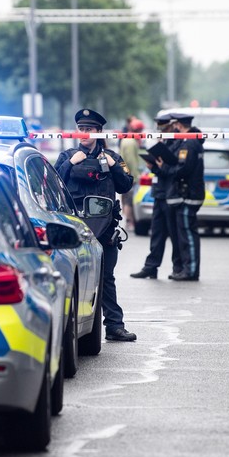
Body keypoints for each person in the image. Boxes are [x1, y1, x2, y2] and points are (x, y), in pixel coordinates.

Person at [55, 108, 137, 342]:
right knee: (74, 277)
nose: (84, 133)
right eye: (81, 129)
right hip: (76, 229)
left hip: (105, 229)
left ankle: (114, 326)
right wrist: (71, 163)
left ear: (99, 132)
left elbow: (125, 186)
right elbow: (54, 184)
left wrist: (112, 165)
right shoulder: (67, 156)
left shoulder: (112, 157)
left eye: (89, 129)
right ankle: (70, 326)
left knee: (106, 277)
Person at [130, 112, 187, 280]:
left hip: (171, 193)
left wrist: (160, 165)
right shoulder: (163, 142)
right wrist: (153, 165)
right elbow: (162, 170)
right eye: (159, 126)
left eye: (164, 126)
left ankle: (178, 266)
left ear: (172, 126)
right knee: (156, 233)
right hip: (159, 192)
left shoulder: (178, 143)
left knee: (174, 234)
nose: (160, 129)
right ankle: (151, 267)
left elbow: (174, 170)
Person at [167, 112, 205, 281]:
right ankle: (189, 269)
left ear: (179, 126)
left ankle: (191, 270)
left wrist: (167, 171)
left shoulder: (188, 143)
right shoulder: (193, 140)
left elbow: (183, 169)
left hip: (189, 194)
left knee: (188, 235)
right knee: (185, 233)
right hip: (190, 192)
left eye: (175, 125)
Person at [118, 115, 144, 229]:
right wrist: (134, 176)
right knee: (129, 199)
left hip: (124, 173)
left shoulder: (126, 139)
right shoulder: (131, 142)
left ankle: (129, 220)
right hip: (129, 175)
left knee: (126, 198)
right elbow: (131, 161)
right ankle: (129, 221)